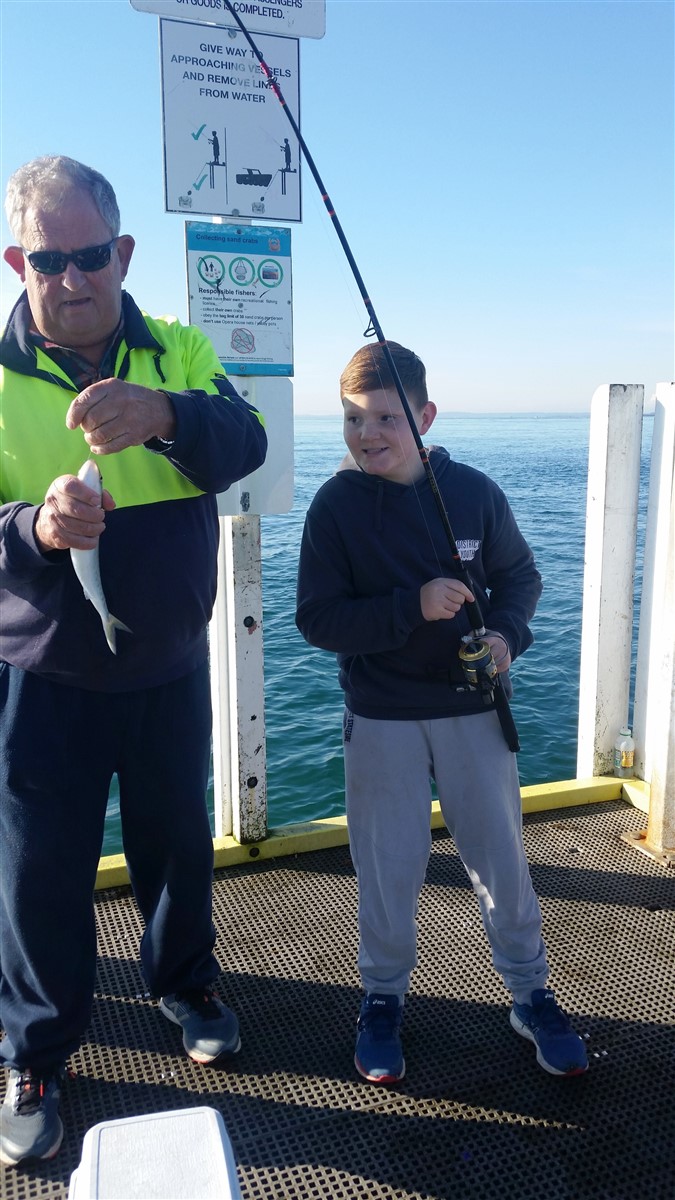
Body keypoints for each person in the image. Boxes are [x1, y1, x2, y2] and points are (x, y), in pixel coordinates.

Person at [0, 155, 268, 1166]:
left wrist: (165, 416)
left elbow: (241, 442)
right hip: (42, 677)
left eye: (91, 257)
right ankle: (34, 1049)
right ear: (19, 259)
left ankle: (186, 983)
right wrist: (34, 526)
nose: (73, 280)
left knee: (176, 843)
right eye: (49, 259)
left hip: (164, 665)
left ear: (122, 253)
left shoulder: (181, 349)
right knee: (38, 874)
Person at [295, 341, 588, 1086]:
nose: (368, 433)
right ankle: (383, 999)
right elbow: (316, 619)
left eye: (387, 416)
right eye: (352, 418)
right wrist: (410, 607)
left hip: (472, 710)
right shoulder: (334, 506)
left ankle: (530, 993)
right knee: (386, 870)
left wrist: (506, 638)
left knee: (501, 862)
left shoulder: (476, 493)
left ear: (424, 417)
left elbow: (520, 576)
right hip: (381, 717)